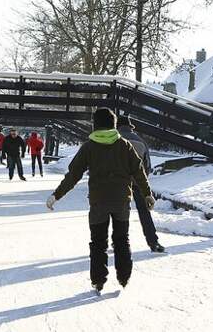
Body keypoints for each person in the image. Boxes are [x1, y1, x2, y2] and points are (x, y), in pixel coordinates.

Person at [45, 107, 154, 292]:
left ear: (96, 124)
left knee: (98, 242)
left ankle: (98, 280)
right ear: (112, 124)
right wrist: (147, 193)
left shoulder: (89, 146)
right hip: (121, 202)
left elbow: (74, 174)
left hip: (98, 202)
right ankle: (124, 276)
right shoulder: (124, 145)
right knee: (122, 239)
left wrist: (56, 195)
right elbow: (138, 171)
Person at [117, 115, 165, 253]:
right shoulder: (141, 141)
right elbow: (147, 165)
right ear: (130, 127)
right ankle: (153, 242)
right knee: (144, 212)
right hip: (138, 182)